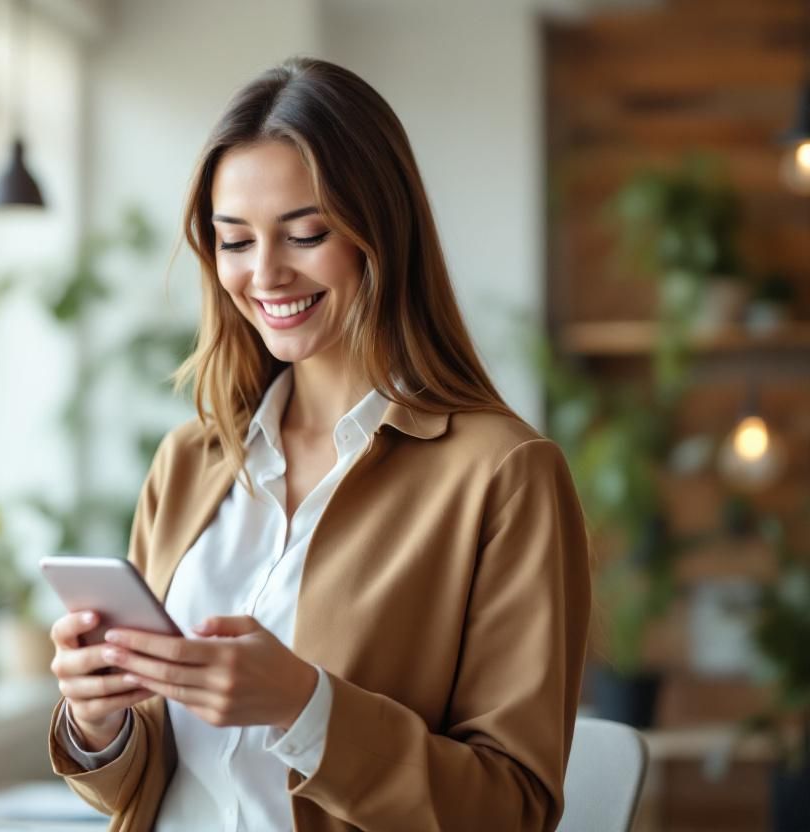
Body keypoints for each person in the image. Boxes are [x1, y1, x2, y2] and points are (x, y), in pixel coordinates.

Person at [47, 55, 590, 832]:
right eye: (234, 241)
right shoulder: (189, 463)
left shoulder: (503, 476)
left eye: (305, 234)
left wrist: (307, 707)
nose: (265, 274)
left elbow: (514, 809)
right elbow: (153, 783)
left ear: (383, 233)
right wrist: (97, 722)